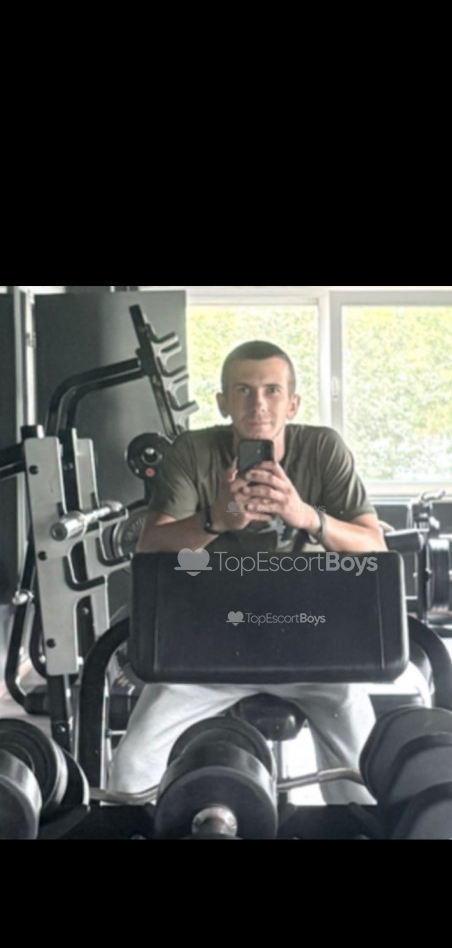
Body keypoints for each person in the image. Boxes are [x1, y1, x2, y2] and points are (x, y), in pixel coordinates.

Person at [108, 341, 388, 802]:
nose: (258, 404)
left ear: (292, 403)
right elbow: (150, 545)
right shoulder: (193, 451)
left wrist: (306, 515)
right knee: (131, 771)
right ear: (223, 402)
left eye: (272, 390)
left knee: (362, 781)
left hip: (309, 642)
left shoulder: (323, 449)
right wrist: (216, 519)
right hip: (208, 645)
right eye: (243, 390)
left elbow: (373, 546)